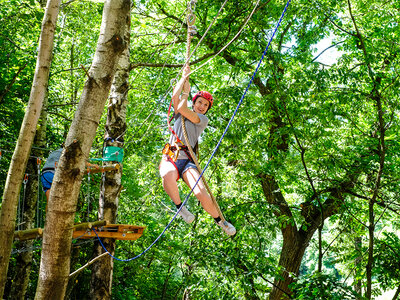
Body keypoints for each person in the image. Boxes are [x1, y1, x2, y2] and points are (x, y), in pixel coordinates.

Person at [159, 65, 236, 236]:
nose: (202, 106)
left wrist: (187, 92)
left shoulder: (202, 119)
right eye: (199, 102)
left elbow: (182, 108)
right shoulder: (180, 113)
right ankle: (180, 208)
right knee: (167, 175)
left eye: (205, 105)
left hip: (187, 160)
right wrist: (183, 79)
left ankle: (221, 221)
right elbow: (175, 97)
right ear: (194, 103)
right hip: (171, 155)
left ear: (207, 109)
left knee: (201, 192)